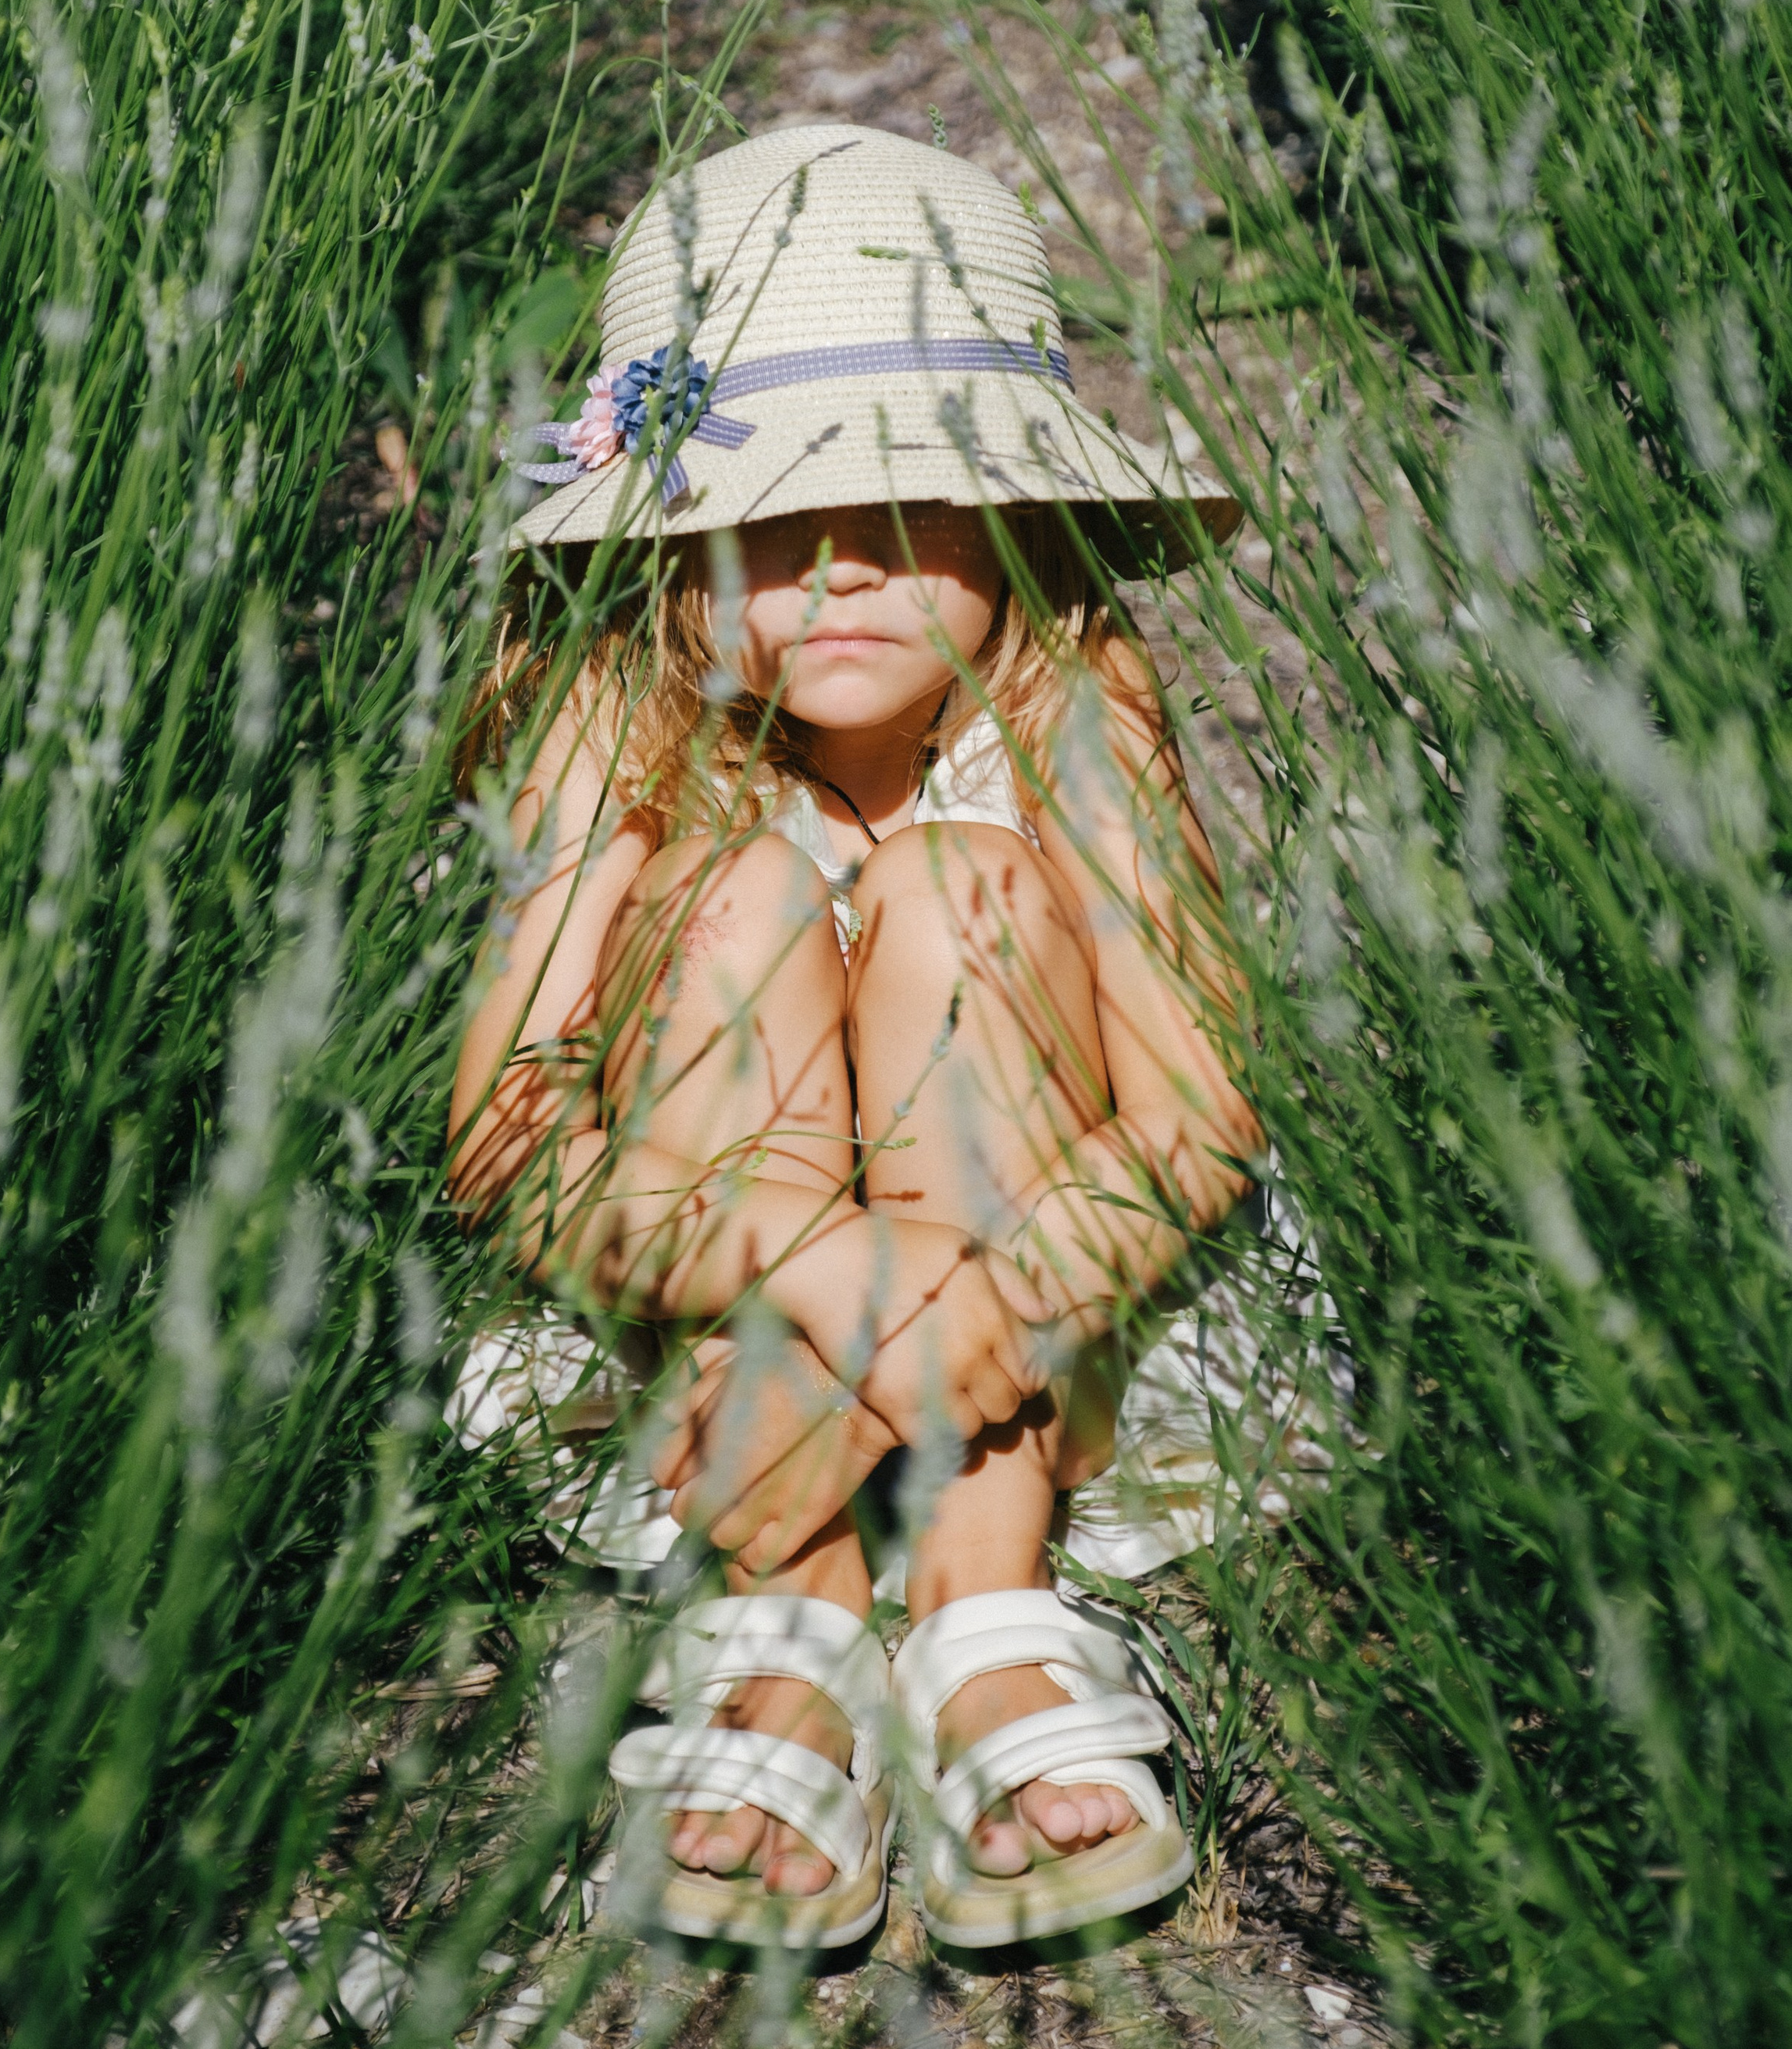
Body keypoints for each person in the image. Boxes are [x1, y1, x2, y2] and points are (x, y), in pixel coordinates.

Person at [448, 123, 1262, 1951]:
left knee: (954, 893)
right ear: (664, 547)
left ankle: (977, 1596)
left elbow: (1194, 1110)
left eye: (899, 510)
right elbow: (504, 1125)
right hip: (709, 1296)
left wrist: (980, 1306)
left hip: (1044, 1299)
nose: (829, 572)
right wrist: (806, 1256)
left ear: (1018, 521)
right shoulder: (622, 715)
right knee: (735, 902)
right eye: (764, 522)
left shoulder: (1071, 690)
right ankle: (798, 1614)